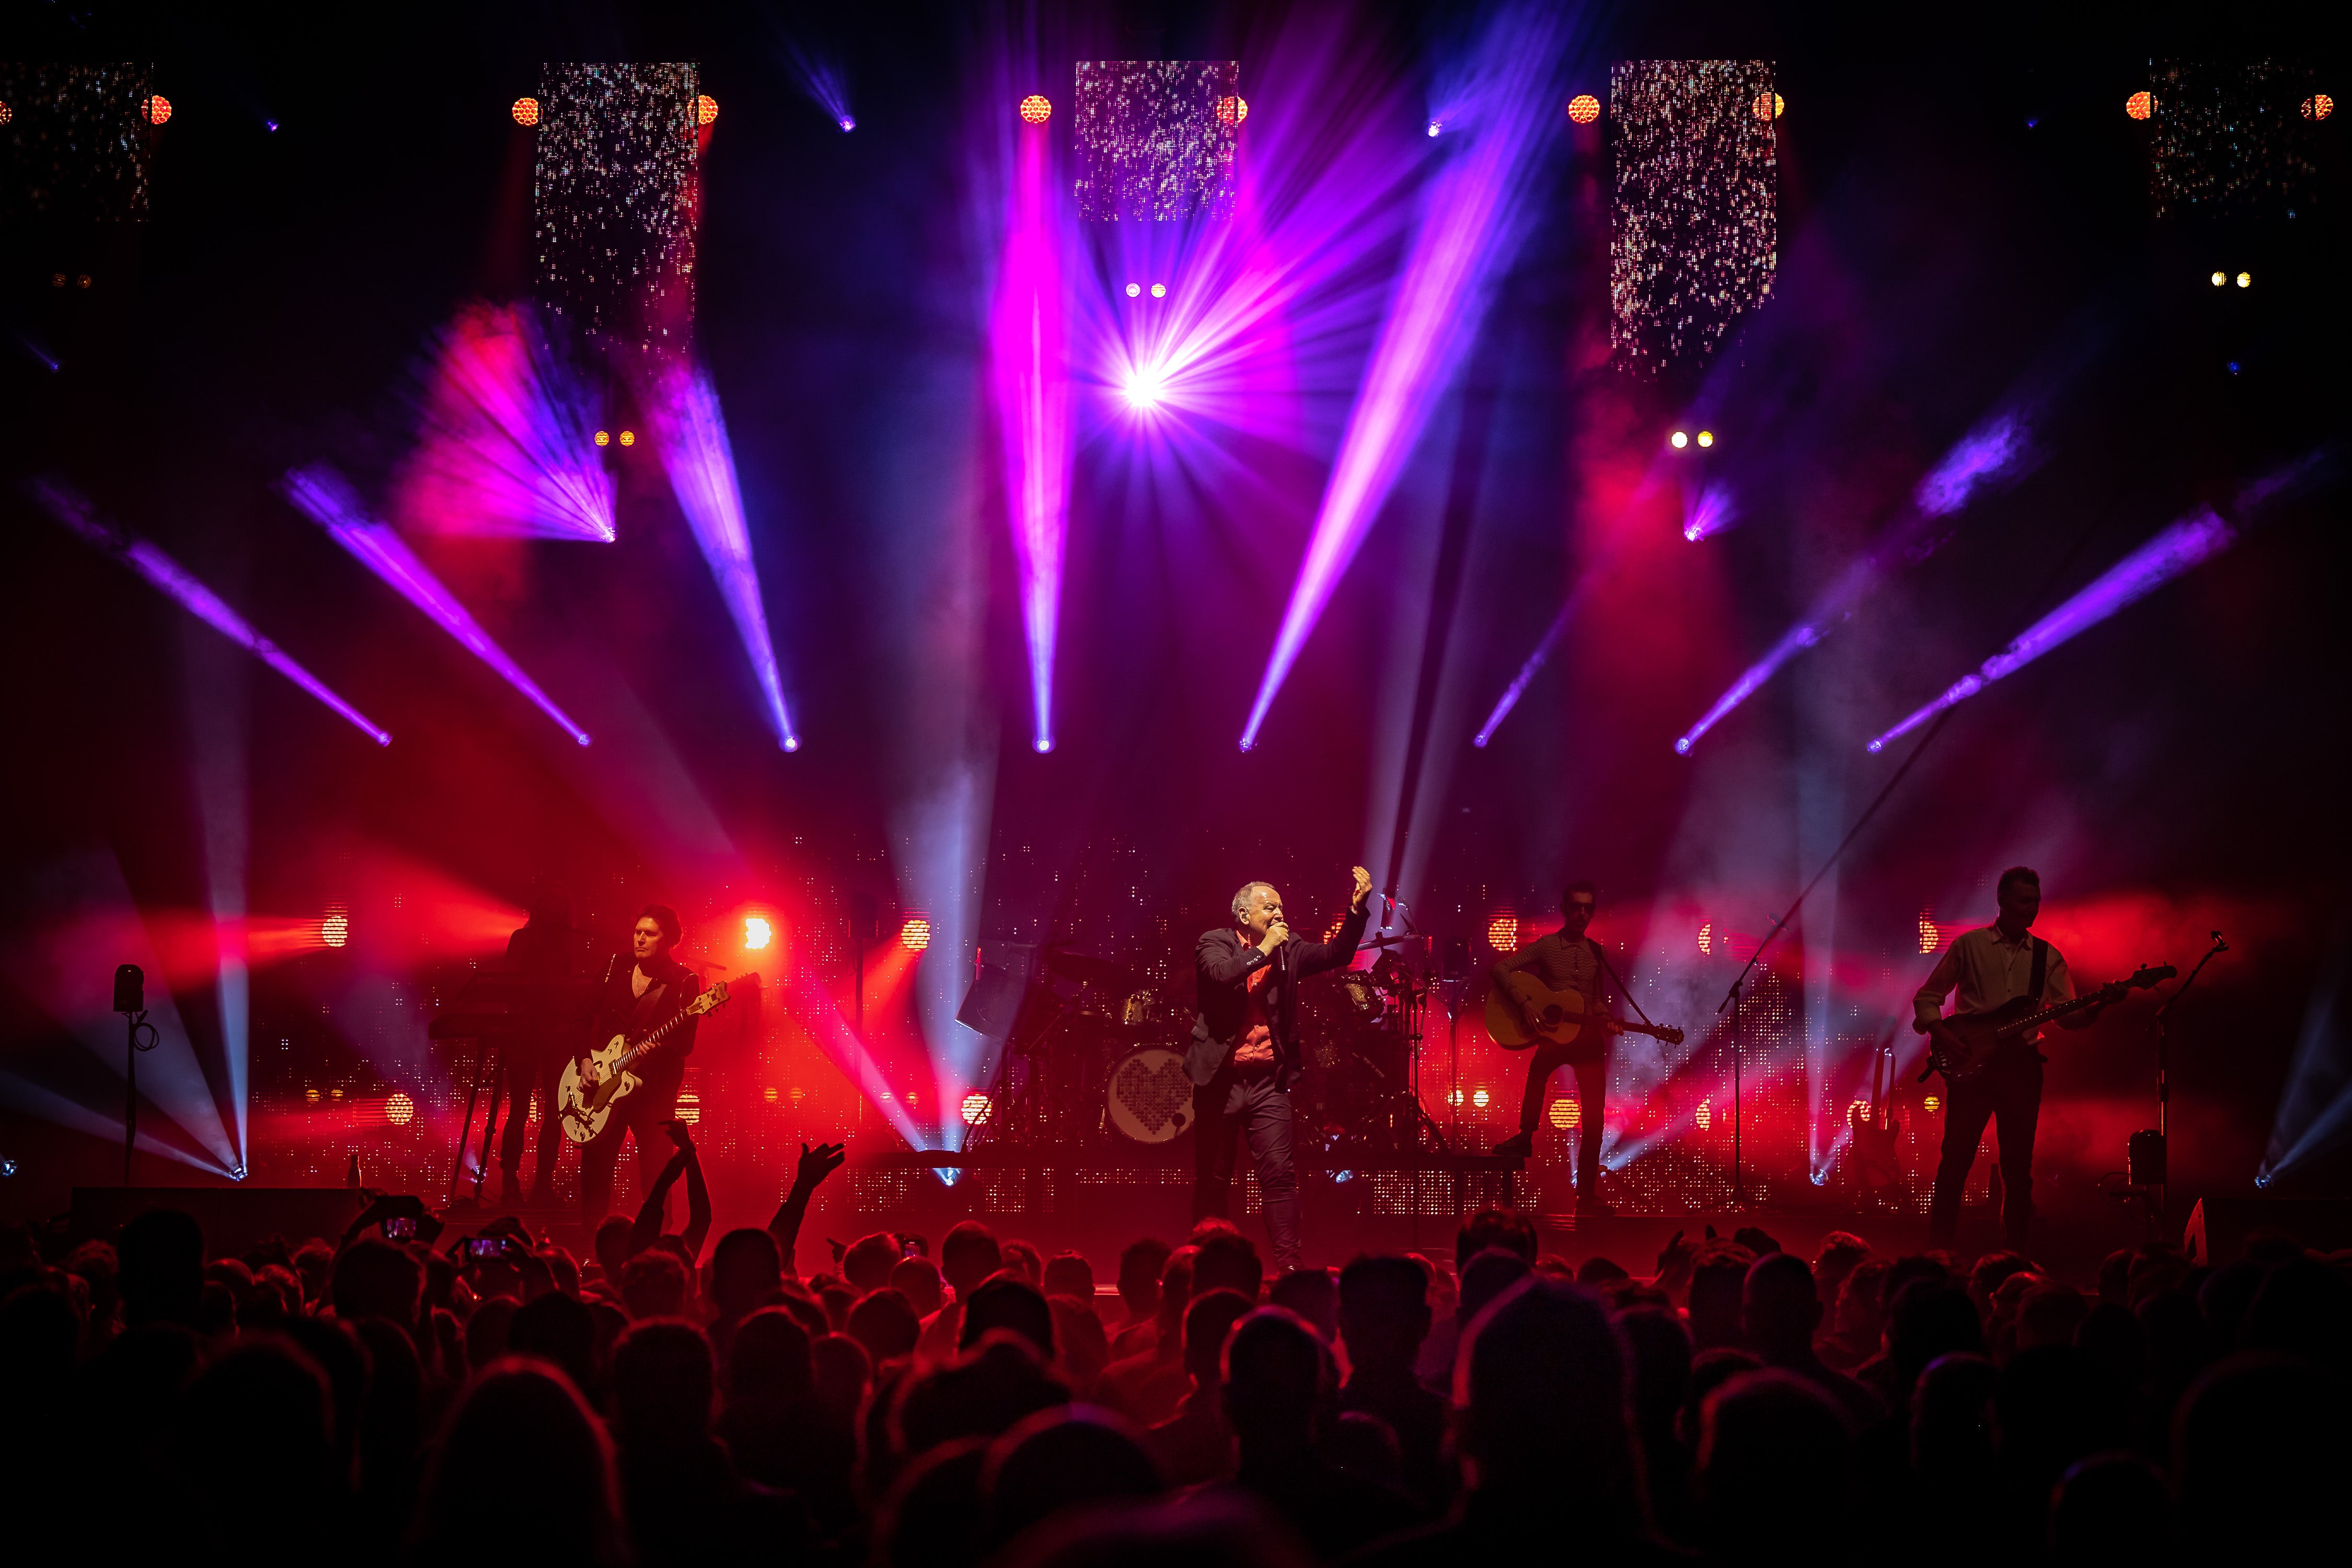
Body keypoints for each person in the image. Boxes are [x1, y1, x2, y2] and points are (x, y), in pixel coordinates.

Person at [1914, 867, 2120, 1252]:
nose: (2032, 909)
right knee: (1955, 1161)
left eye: (2037, 902)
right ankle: (1937, 1251)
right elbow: (1927, 998)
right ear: (2003, 901)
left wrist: (2097, 1007)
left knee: (2018, 1170)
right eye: (2025, 901)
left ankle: (2016, 1257)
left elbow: (2068, 1019)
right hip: (1971, 1066)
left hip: (2021, 1069)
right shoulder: (1969, 946)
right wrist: (1942, 1034)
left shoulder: (2048, 957)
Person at [1189, 866, 1374, 1272]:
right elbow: (1223, 975)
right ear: (1243, 915)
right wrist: (1267, 947)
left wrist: (1356, 911)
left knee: (1279, 1177)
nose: (1278, 914)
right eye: (1269, 907)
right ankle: (1207, 1267)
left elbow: (1337, 954)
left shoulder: (1289, 950)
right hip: (1220, 1080)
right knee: (1214, 1180)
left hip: (1267, 1083)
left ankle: (1289, 1267)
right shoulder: (1214, 943)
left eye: (1281, 908)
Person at [1488, 880, 1618, 1213]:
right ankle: (1525, 1137)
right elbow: (1501, 968)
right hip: (1555, 1035)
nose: (1582, 914)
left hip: (1587, 1039)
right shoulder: (1546, 946)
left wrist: (1607, 1019)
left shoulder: (1596, 952)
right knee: (1537, 1074)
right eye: (1577, 907)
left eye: (1589, 908)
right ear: (1565, 909)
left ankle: (1586, 1197)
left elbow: (1598, 1000)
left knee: (1594, 1122)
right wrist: (1525, 1004)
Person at [577, 904, 703, 1227]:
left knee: (657, 1173)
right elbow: (581, 1017)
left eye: (650, 934)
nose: (641, 939)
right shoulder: (615, 967)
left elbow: (685, 1045)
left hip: (652, 1094)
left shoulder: (684, 981)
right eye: (638, 932)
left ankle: (659, 1244)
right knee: (596, 1168)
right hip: (604, 1083)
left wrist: (657, 1049)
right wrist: (585, 1061)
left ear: (670, 940)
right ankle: (593, 1241)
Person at [499, 883, 591, 1206]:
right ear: (540, 905)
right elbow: (509, 985)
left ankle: (543, 1186)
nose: (556, 908)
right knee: (519, 1109)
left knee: (555, 1112)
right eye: (551, 901)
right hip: (526, 1032)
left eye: (561, 902)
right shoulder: (522, 939)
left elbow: (583, 986)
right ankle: (509, 1182)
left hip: (558, 1034)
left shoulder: (573, 942)